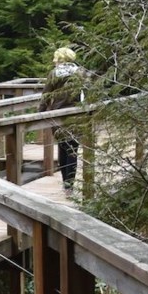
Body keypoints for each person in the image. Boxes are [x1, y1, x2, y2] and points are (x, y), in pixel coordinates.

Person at [40, 46, 88, 190]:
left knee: (62, 148)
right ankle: (69, 184)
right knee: (73, 148)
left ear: (59, 59)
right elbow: (88, 91)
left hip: (58, 115)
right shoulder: (80, 72)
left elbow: (46, 95)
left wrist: (40, 111)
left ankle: (65, 182)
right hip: (77, 114)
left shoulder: (55, 74)